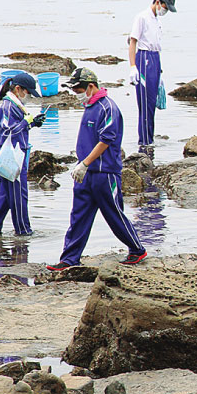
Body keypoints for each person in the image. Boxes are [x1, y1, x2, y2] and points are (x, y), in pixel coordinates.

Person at [49, 68, 146, 269]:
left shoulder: (108, 108)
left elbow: (106, 140)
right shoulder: (89, 106)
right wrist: (81, 164)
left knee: (114, 214)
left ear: (91, 86)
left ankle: (137, 249)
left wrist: (86, 163)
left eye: (78, 89)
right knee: (78, 217)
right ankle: (68, 259)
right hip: (84, 174)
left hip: (105, 173)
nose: (76, 94)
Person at [0, 73, 44, 236]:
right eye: (28, 92)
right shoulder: (9, 106)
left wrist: (33, 123)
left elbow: (16, 128)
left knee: (3, 197)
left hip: (9, 156)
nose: (29, 96)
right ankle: (23, 232)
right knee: (19, 196)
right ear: (18, 89)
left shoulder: (14, 105)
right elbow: (8, 131)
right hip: (13, 157)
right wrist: (27, 122)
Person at [127, 0, 176, 148]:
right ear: (157, 2)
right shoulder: (142, 17)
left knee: (152, 103)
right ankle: (144, 142)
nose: (165, 11)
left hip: (155, 59)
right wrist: (133, 66)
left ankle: (150, 140)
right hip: (144, 59)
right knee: (145, 104)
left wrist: (159, 72)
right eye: (165, 7)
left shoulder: (157, 20)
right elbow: (132, 42)